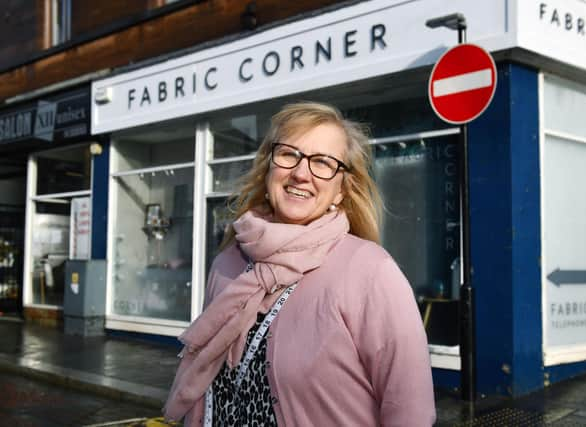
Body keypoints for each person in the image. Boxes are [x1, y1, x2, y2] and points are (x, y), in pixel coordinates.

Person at [163, 102, 436, 426]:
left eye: (322, 162)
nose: (301, 173)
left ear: (341, 189)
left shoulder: (370, 271)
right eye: (289, 154)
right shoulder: (228, 261)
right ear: (268, 168)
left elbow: (410, 411)